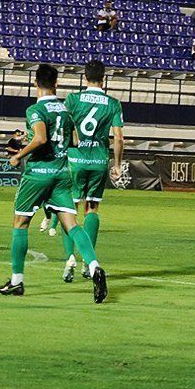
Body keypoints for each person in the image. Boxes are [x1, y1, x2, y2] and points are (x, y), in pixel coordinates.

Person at [0, 64, 108, 303]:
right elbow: (76, 141)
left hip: (38, 174)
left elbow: (40, 137)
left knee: (21, 223)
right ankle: (95, 265)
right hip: (61, 174)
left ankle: (17, 281)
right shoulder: (66, 111)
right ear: (57, 84)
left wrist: (19, 155)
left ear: (35, 84)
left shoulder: (35, 109)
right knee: (72, 224)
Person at [58, 60, 124, 283]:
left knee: (68, 210)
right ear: (104, 78)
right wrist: (116, 164)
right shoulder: (113, 103)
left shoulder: (73, 99)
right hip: (98, 160)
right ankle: (89, 262)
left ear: (84, 77)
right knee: (92, 208)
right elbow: (119, 138)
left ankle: (69, 260)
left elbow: (64, 126)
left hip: (75, 160)